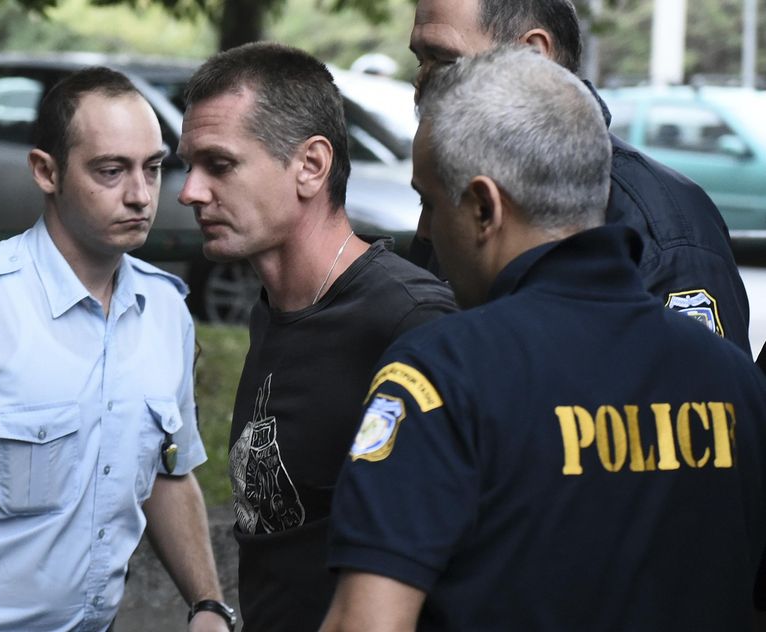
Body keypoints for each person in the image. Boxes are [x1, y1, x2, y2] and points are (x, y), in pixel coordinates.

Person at [320, 48, 766, 631]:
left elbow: (367, 624)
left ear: (484, 207)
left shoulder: (439, 377)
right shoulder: (736, 382)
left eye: (429, 201)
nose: (425, 228)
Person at [0, 67, 231, 632]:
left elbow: (169, 473)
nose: (141, 195)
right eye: (111, 170)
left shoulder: (166, 310)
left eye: (152, 168)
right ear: (46, 172)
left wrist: (209, 603)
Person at [178, 42, 456, 631]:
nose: (190, 192)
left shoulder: (411, 322)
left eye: (219, 165)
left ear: (311, 165)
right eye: (188, 166)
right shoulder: (275, 307)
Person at [406, 0, 752, 354]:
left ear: (533, 56)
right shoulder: (452, 191)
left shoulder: (665, 223)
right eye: (421, 60)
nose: (423, 82)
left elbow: (698, 395)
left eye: (444, 61)